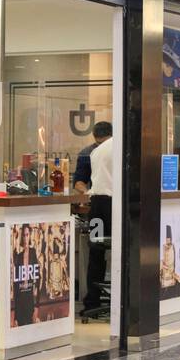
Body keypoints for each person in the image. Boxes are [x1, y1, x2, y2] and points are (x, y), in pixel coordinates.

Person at [73, 122, 113, 319]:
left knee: (96, 252)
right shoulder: (120, 148)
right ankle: (122, 299)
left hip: (97, 207)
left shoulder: (93, 152)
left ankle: (92, 303)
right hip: (115, 207)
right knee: (124, 250)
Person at [12, 222, 40, 326]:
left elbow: (38, 279)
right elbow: (16, 285)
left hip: (30, 296)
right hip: (21, 297)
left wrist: (37, 305)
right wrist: (15, 315)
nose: (25, 238)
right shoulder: (19, 256)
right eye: (23, 235)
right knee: (21, 324)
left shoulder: (34, 253)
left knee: (30, 325)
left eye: (27, 235)